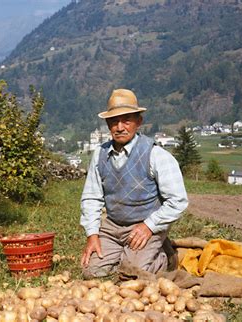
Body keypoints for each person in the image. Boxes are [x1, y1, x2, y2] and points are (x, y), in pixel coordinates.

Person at [80, 89, 188, 278]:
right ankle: (129, 254)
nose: (120, 127)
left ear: (139, 122)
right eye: (114, 121)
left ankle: (163, 255)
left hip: (144, 225)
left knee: (132, 273)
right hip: (113, 226)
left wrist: (149, 226)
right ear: (107, 124)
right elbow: (91, 197)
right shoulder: (100, 155)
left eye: (127, 120)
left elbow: (178, 201)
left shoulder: (156, 155)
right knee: (90, 271)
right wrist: (92, 235)